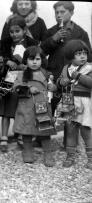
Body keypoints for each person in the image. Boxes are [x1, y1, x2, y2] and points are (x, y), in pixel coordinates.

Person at [40, 1, 92, 149]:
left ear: (71, 12)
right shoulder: (50, 32)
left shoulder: (81, 33)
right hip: (54, 75)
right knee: (50, 106)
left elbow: (88, 56)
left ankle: (68, 143)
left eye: (62, 12)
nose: (59, 15)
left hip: (73, 78)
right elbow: (42, 53)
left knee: (69, 110)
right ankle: (45, 141)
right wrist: (53, 39)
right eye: (56, 12)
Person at [0, 15, 39, 153]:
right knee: (6, 107)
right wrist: (7, 61)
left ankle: (20, 134)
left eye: (17, 31)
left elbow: (37, 59)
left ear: (24, 30)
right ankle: (3, 137)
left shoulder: (32, 43)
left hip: (23, 79)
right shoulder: (5, 42)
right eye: (11, 32)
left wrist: (26, 66)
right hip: (7, 77)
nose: (14, 34)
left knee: (21, 107)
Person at [13, 46, 57, 167]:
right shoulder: (22, 74)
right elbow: (15, 88)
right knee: (26, 130)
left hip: (42, 107)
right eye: (31, 59)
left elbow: (53, 87)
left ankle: (48, 153)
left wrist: (54, 88)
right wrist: (27, 88)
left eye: (37, 59)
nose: (34, 62)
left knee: (45, 131)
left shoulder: (47, 74)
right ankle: (27, 150)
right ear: (25, 60)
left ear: (42, 60)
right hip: (27, 107)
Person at [56, 40, 92, 169]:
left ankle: (91, 158)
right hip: (69, 102)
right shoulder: (66, 68)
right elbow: (58, 81)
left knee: (86, 131)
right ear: (71, 55)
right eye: (78, 54)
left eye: (84, 53)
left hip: (84, 103)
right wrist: (62, 82)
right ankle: (70, 156)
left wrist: (79, 76)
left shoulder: (89, 67)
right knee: (70, 130)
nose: (83, 56)